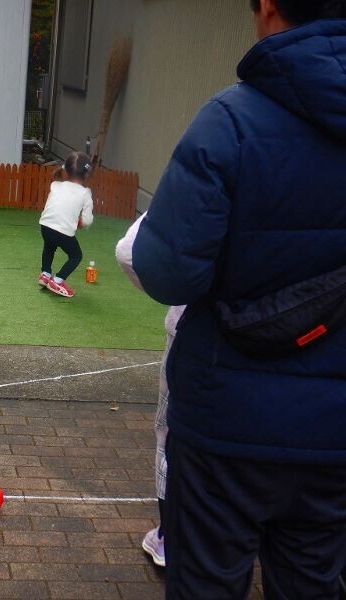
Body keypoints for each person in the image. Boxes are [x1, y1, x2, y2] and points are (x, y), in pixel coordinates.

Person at [132, 1, 346, 598]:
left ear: (270, 8)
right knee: (312, 582)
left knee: (205, 583)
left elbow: (166, 271)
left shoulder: (230, 120)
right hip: (336, 432)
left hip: (226, 418)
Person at [115, 213, 186, 569]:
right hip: (319, 343)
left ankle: (171, 539)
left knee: (173, 436)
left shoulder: (217, 162)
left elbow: (131, 251)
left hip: (200, 334)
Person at [37, 151, 94, 298]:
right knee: (76, 256)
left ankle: (45, 274)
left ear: (66, 170)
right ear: (86, 175)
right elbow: (87, 220)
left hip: (45, 226)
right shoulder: (85, 193)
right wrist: (81, 222)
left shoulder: (55, 185)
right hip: (62, 231)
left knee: (49, 247)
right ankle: (58, 280)